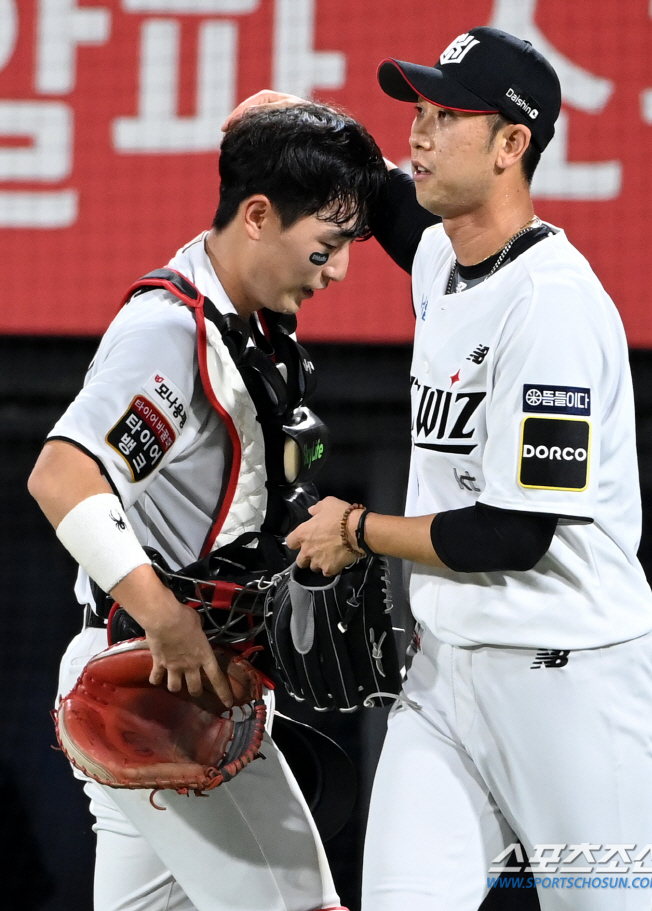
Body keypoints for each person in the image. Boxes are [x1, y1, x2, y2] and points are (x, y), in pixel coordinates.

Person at [244, 26, 652, 911]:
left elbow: (510, 533)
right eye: (421, 112)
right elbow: (385, 195)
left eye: (448, 116)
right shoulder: (446, 254)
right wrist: (303, 124)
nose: (420, 135)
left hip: (572, 688)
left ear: (513, 145)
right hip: (445, 682)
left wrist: (356, 530)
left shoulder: (554, 309)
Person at [27, 102, 386, 911]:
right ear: (257, 216)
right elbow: (61, 476)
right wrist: (166, 618)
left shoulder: (250, 321)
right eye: (325, 249)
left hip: (177, 676)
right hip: (158, 682)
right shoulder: (169, 331)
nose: (337, 272)